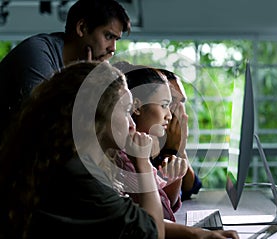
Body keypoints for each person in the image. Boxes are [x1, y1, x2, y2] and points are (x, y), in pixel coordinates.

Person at [0, 61, 165, 239]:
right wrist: (143, 164)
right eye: (126, 111)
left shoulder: (60, 161)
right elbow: (152, 233)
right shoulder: (79, 176)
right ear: (98, 113)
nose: (132, 125)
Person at [114, 62, 239, 239]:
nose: (173, 114)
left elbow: (186, 190)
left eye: (180, 104)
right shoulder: (127, 157)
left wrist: (178, 148)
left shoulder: (144, 147)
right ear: (136, 106)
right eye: (167, 104)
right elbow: (155, 221)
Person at [0, 0, 131, 141]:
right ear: (82, 28)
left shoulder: (82, 69)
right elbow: (47, 127)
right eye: (109, 36)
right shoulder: (37, 53)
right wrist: (85, 83)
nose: (113, 48)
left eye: (116, 39)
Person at [156, 69, 202, 201]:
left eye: (182, 102)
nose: (180, 109)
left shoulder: (168, 138)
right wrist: (171, 151)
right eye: (172, 101)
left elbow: (190, 187)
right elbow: (166, 202)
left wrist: (180, 149)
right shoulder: (146, 141)